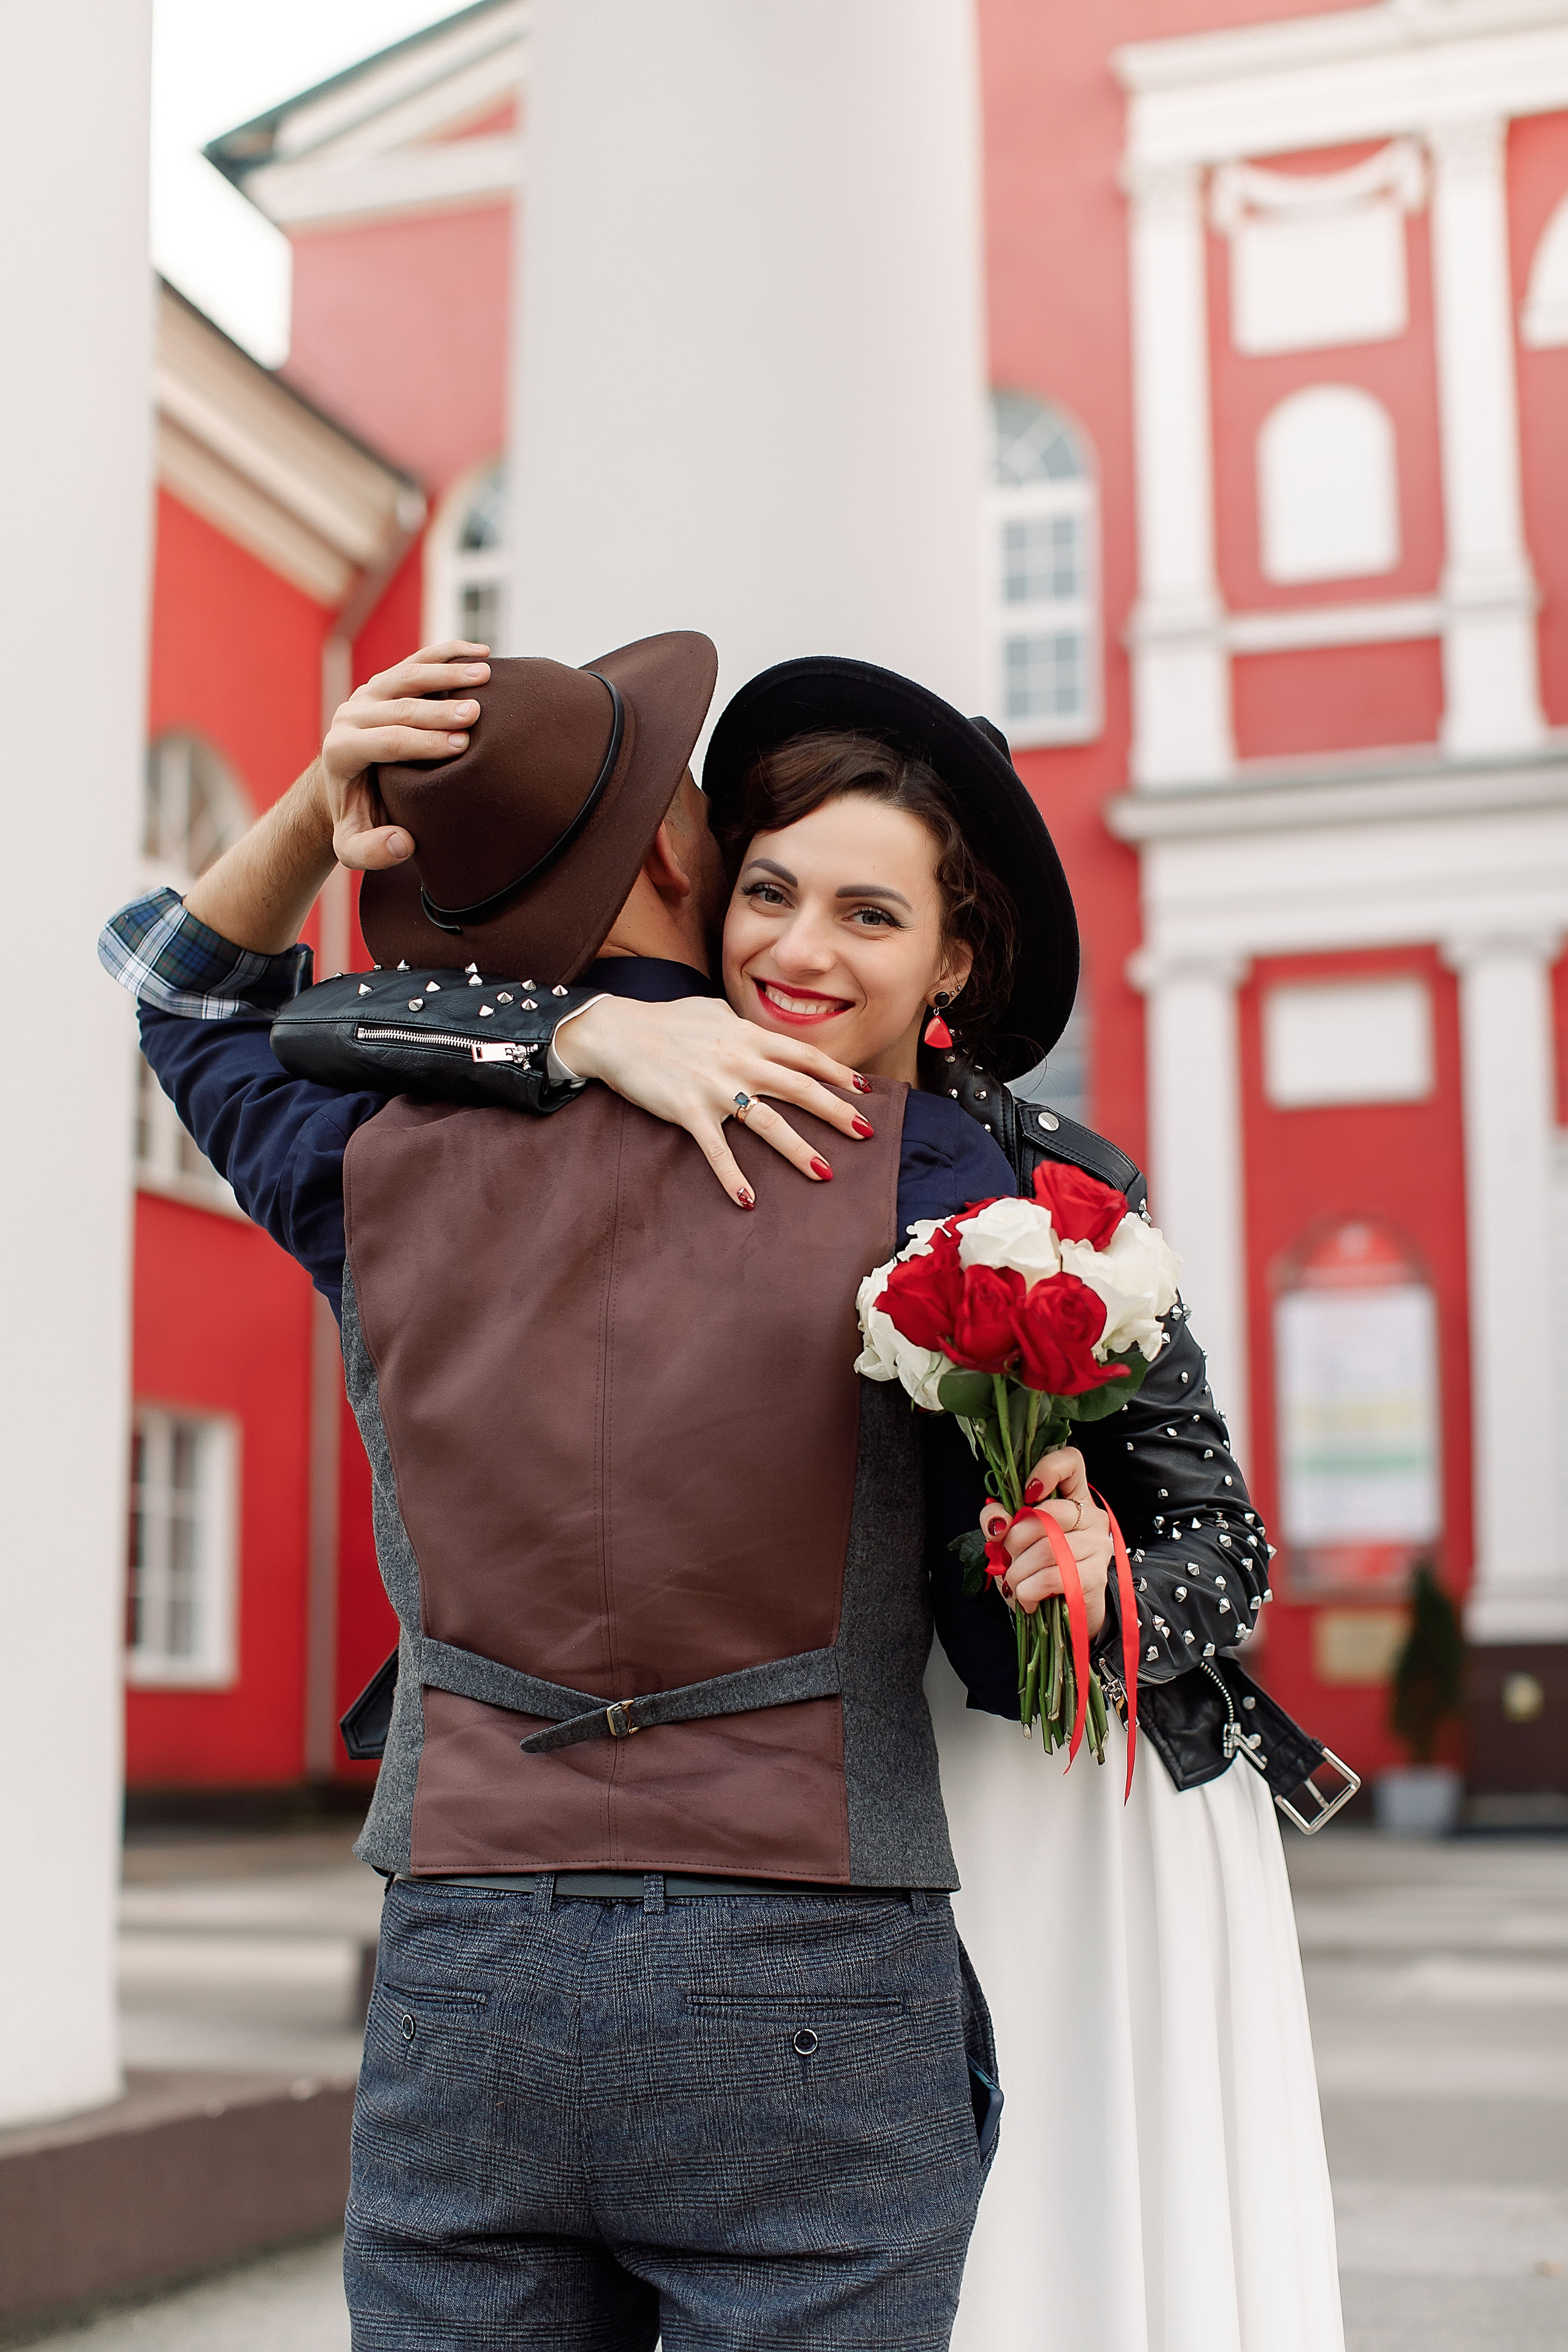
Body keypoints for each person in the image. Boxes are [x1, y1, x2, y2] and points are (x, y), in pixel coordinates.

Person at [302, 644, 1346, 2352]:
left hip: (1028, 1799)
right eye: (771, 893)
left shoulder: (1037, 1187)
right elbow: (327, 1030)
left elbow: (1220, 1543)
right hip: (773, 1825)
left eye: (869, 916)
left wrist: (1104, 1585)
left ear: (953, 958)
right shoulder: (622, 1084)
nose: (799, 951)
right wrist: (586, 1027)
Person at [100, 632, 1082, 2351]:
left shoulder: (362, 1147)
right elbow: (1024, 1598)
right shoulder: (927, 1164)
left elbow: (184, 992)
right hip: (810, 1957)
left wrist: (327, 808)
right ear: (672, 863)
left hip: (467, 1951)